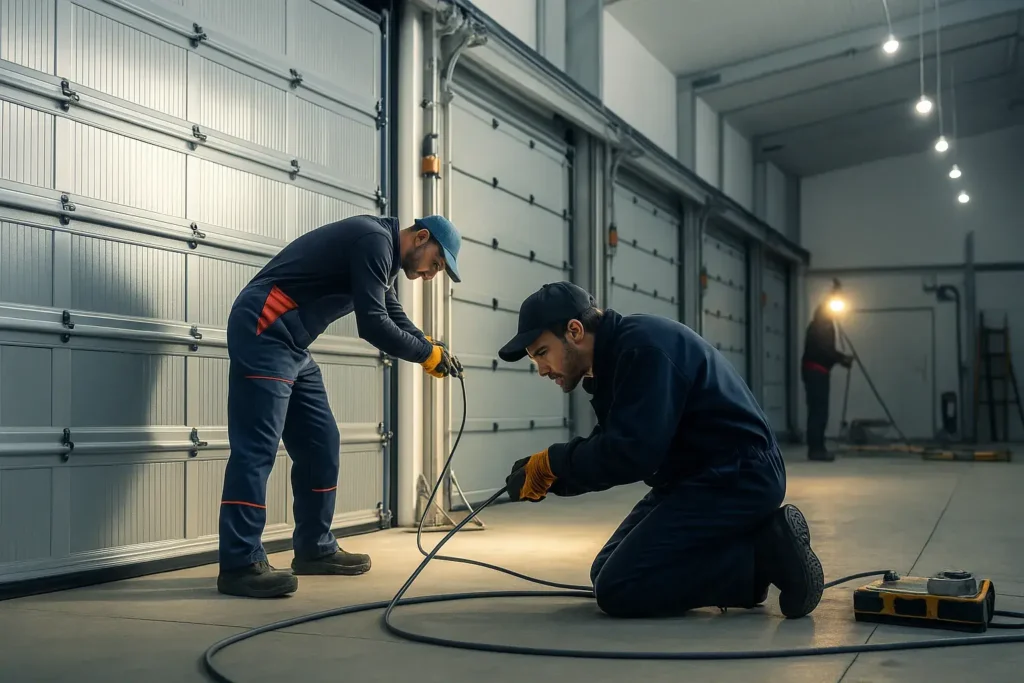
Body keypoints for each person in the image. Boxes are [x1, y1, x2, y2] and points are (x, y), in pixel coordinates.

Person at [498, 281, 824, 620]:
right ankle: (750, 563)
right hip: (695, 477)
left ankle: (764, 553)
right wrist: (551, 477)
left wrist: (555, 462)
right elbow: (614, 443)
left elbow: (633, 453)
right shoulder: (617, 359)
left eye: (541, 353)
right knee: (604, 572)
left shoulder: (644, 349)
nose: (541, 369)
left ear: (575, 331)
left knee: (620, 588)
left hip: (738, 476)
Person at [217, 214, 463, 599]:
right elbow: (374, 324)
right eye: (437, 263)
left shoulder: (382, 254)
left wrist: (433, 348)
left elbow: (392, 313)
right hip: (265, 326)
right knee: (257, 449)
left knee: (321, 441)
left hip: (291, 344)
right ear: (421, 237)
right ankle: (239, 562)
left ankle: (315, 548)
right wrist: (424, 354)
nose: (432, 274)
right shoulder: (373, 241)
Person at [801, 303, 854, 462]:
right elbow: (824, 350)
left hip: (816, 371)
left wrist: (841, 358)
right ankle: (816, 450)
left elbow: (825, 350)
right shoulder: (822, 327)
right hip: (816, 372)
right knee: (819, 411)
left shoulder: (818, 326)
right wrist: (841, 359)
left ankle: (817, 448)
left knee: (817, 411)